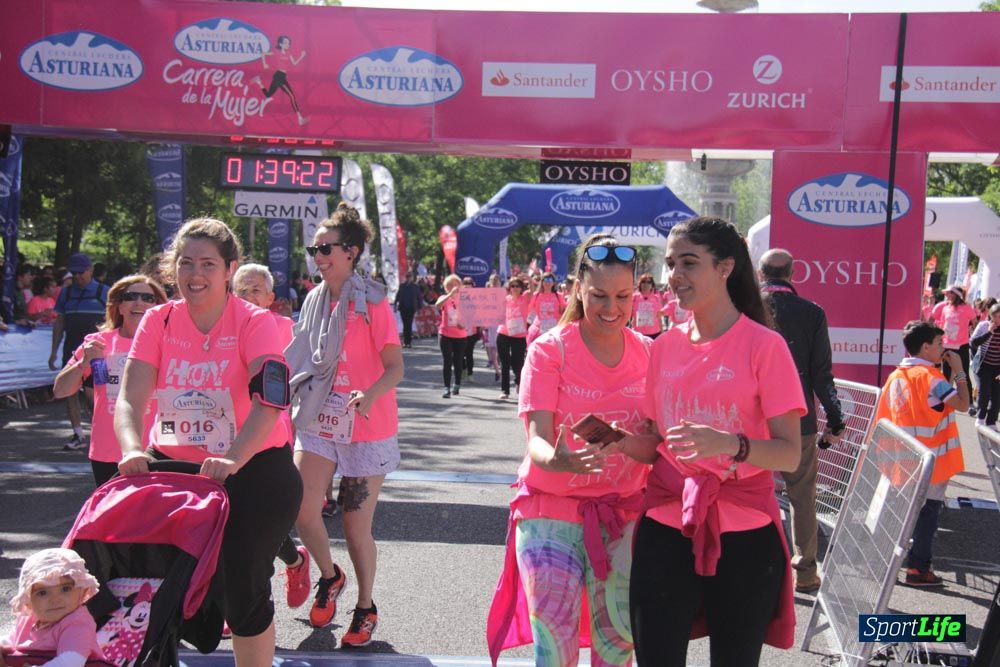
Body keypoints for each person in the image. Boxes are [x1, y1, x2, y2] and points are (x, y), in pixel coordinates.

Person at [115, 218, 302, 667]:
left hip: (254, 468)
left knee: (241, 593)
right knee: (152, 590)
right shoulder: (158, 320)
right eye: (185, 263)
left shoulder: (255, 322)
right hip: (177, 470)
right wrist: (131, 449)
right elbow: (130, 396)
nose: (195, 275)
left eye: (207, 264)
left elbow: (271, 400)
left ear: (228, 269)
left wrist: (233, 456)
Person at [625, 217, 804, 666]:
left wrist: (730, 444)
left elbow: (789, 452)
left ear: (725, 267)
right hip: (665, 529)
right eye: (670, 264)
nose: (674, 276)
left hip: (745, 535)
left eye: (689, 263)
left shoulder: (765, 346)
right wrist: (618, 442)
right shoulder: (663, 347)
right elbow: (657, 441)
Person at [487, 234, 652, 667]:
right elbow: (537, 438)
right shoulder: (549, 349)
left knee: (617, 650)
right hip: (550, 513)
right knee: (554, 650)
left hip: (625, 518)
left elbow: (657, 449)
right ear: (578, 288)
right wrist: (558, 459)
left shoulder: (651, 354)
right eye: (599, 295)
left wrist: (622, 440)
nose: (611, 308)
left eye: (622, 295)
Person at [285, 202, 403, 646]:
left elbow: (395, 368)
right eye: (314, 248)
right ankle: (329, 576)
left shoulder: (372, 302)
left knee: (355, 528)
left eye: (325, 248)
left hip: (367, 426)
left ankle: (365, 605)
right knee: (302, 507)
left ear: (350, 252)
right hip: (319, 419)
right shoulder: (313, 299)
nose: (318, 256)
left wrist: (369, 394)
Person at [758, 248, 846, 594]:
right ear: (792, 274)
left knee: (747, 490)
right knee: (802, 495)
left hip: (752, 416)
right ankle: (806, 573)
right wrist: (835, 418)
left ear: (761, 274)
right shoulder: (812, 312)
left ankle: (751, 567)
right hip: (798, 418)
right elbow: (822, 374)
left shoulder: (746, 308)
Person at [231, 263, 313, 609]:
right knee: (231, 525)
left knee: (261, 524)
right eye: (242, 289)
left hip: (269, 440)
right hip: (222, 440)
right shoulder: (220, 327)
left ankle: (295, 561)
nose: (248, 295)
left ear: (270, 297)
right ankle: (231, 601)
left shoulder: (287, 330)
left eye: (256, 290)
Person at [874, 320, 969, 587]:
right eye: (939, 343)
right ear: (925, 347)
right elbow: (962, 404)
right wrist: (960, 371)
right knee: (927, 515)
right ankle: (918, 569)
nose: (943, 348)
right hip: (931, 463)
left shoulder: (896, 376)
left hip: (899, 461)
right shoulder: (932, 378)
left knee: (898, 515)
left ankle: (884, 564)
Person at [53, 275, 167, 486]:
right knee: (116, 517)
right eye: (130, 296)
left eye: (148, 298)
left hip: (158, 449)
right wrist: (83, 363)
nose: (139, 302)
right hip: (109, 452)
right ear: (119, 305)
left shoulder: (170, 344)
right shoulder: (99, 343)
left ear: (158, 307)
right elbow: (60, 390)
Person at [2, 548, 105, 666]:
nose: (55, 599)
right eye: (42, 593)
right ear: (28, 600)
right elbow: (11, 641)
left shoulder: (78, 623)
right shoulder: (28, 619)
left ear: (82, 591)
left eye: (65, 589)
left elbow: (70, 662)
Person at [50, 253, 110, 451]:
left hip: (98, 351)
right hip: (72, 348)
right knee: (70, 392)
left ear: (90, 270)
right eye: (74, 273)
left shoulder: (104, 291)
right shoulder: (65, 293)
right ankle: (77, 433)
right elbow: (59, 322)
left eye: (81, 272)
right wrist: (54, 351)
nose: (77, 277)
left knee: (95, 394)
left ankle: (100, 432)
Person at [931, 284, 977, 398]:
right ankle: (945, 397)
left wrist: (971, 331)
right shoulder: (945, 308)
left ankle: (968, 399)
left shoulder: (967, 308)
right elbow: (942, 324)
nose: (946, 295)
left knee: (963, 373)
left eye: (949, 293)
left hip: (962, 345)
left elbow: (974, 321)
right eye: (946, 293)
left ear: (956, 295)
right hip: (947, 344)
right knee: (946, 373)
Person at [251, 35, 308, 126]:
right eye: (285, 43)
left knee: (268, 94)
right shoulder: (276, 52)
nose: (287, 45)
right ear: (280, 44)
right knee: (292, 96)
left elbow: (294, 63)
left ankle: (258, 81)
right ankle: (300, 118)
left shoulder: (288, 53)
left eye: (288, 43)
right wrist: (264, 64)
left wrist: (302, 56)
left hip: (282, 76)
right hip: (278, 76)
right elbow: (263, 54)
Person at [497, 277, 530, 400]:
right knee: (504, 363)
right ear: (509, 288)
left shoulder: (525, 298)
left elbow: (533, 290)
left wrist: (530, 278)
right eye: (512, 286)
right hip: (503, 333)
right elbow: (492, 309)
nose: (515, 288)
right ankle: (505, 390)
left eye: (517, 286)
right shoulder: (504, 300)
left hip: (519, 335)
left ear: (521, 288)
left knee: (518, 363)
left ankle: (518, 381)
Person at [435, 274, 468, 398]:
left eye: (456, 284)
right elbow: (437, 305)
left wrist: (464, 324)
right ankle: (446, 388)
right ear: (446, 287)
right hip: (445, 334)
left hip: (461, 335)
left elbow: (471, 315)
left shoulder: (465, 299)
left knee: (458, 361)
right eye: (450, 285)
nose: (453, 287)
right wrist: (450, 295)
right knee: (447, 361)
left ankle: (457, 384)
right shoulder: (444, 298)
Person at [971, 303, 1000, 429]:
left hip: (997, 367)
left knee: (997, 396)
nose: (998, 320)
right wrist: (989, 332)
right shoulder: (984, 325)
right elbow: (973, 342)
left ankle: (991, 421)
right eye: (995, 317)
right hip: (983, 365)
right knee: (985, 393)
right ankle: (981, 417)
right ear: (991, 316)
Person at [527, 272, 565, 345]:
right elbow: (530, 310)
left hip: (553, 331)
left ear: (553, 283)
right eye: (545, 280)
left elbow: (563, 312)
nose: (547, 283)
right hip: (538, 331)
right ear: (542, 282)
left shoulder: (559, 296)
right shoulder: (536, 295)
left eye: (550, 280)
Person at [631, 273, 664, 339]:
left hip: (654, 333)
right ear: (640, 284)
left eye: (649, 282)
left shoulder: (656, 298)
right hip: (638, 333)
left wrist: (662, 332)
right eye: (643, 282)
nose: (646, 284)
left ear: (652, 285)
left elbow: (659, 317)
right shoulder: (634, 297)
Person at [461, 276, 481, 381]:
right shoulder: (459, 297)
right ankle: (463, 368)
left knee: (469, 352)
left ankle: (470, 373)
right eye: (465, 284)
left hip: (472, 330)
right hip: (460, 329)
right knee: (460, 353)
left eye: (470, 284)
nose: (468, 286)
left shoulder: (477, 298)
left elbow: (482, 312)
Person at [394, 272, 422, 348]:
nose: (408, 278)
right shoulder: (402, 286)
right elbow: (398, 296)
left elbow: (419, 298)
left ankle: (408, 342)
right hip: (403, 308)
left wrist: (419, 308)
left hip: (411, 308)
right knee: (405, 324)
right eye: (407, 276)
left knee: (408, 325)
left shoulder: (415, 286)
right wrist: (395, 305)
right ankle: (405, 342)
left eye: (410, 276)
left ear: (412, 278)